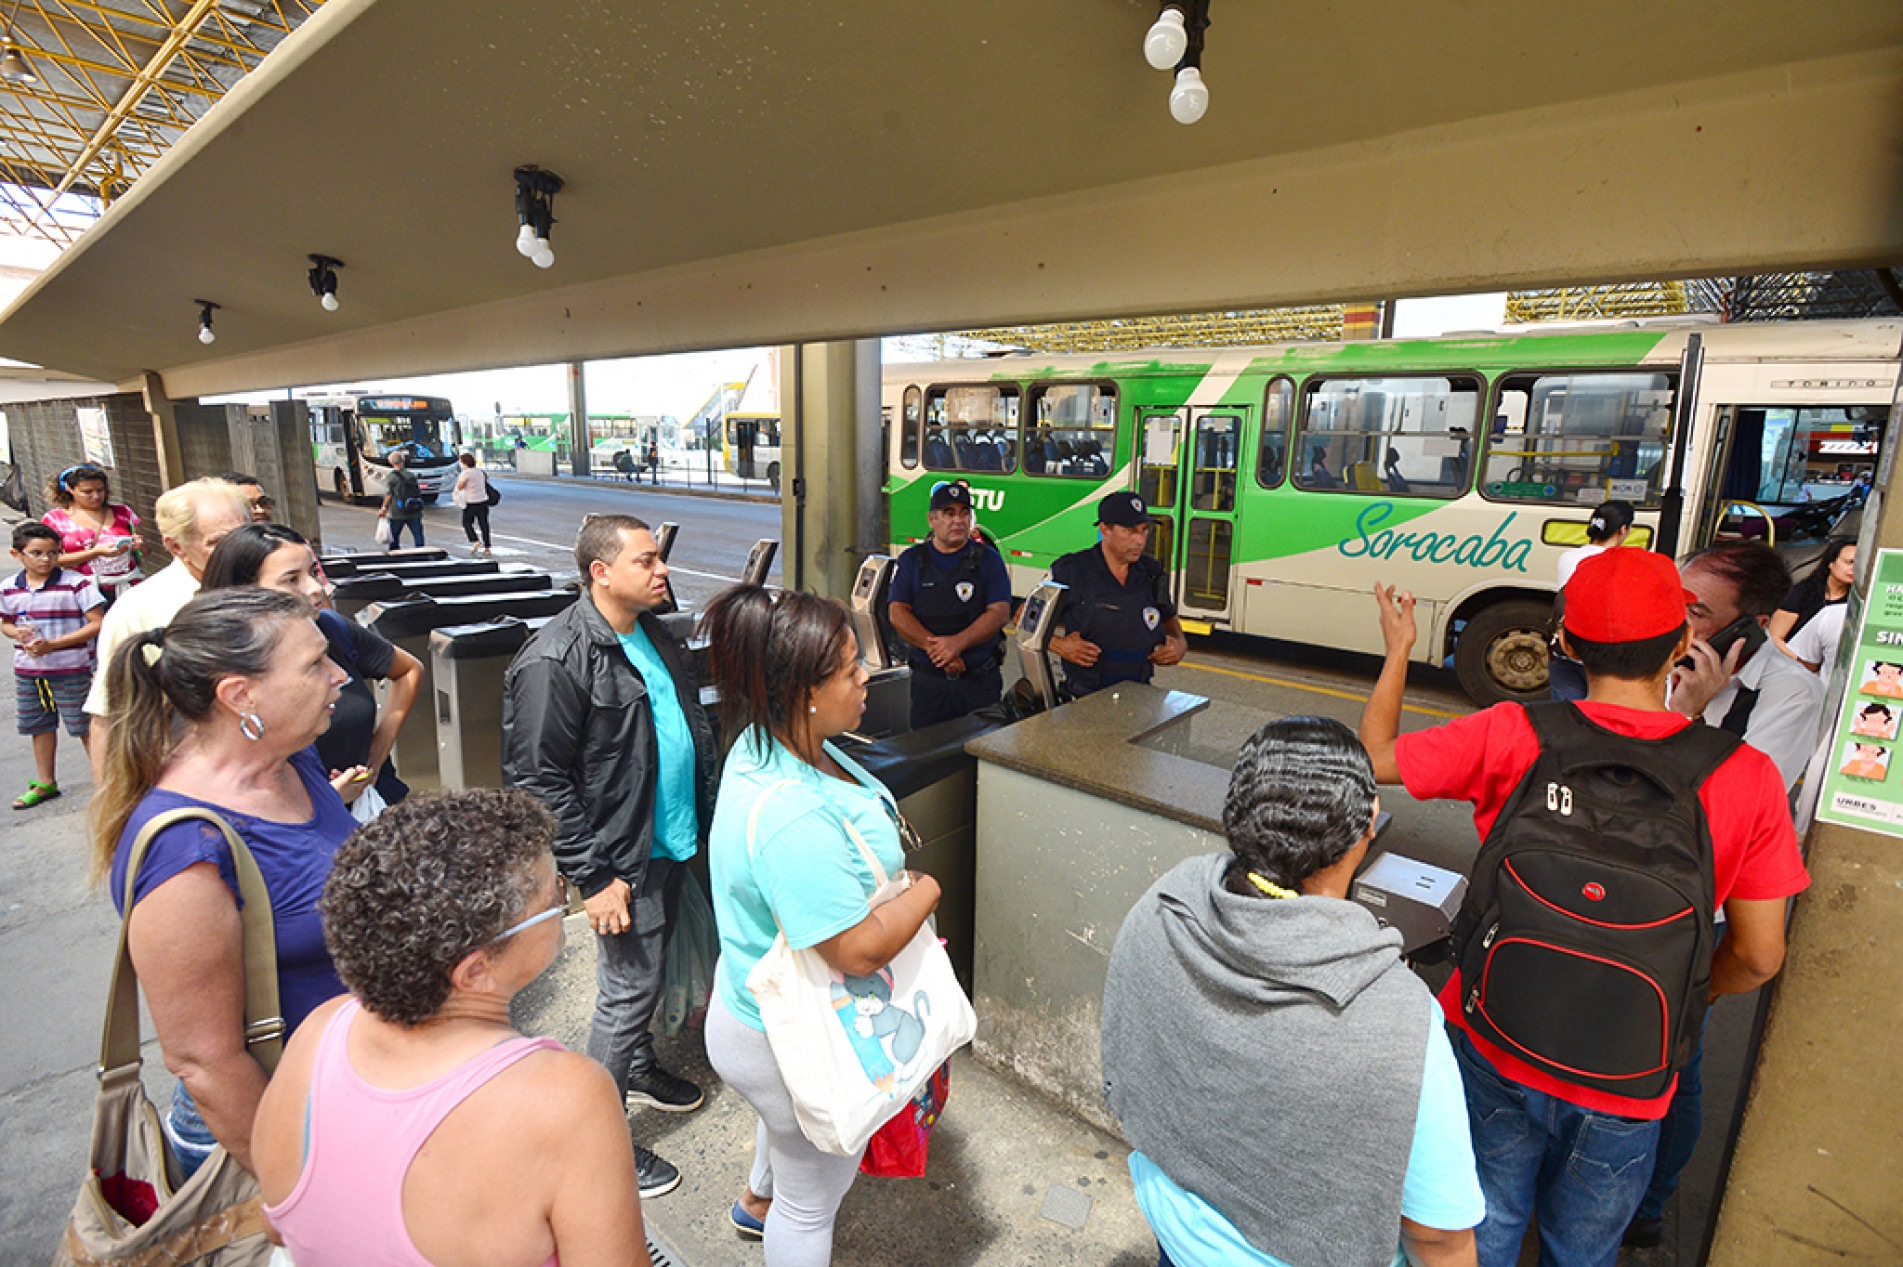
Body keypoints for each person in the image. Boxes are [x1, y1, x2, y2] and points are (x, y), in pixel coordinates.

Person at [1359, 550, 1809, 1266]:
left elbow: (1376, 753)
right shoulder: (1742, 775)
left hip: (1494, 1035)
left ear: (1564, 644)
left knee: (1485, 1224)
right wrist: (1685, 996)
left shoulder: (1511, 732)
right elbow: (1758, 955)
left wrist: (1400, 649)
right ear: (1676, 646)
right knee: (1583, 1245)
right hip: (1630, 1075)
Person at [1101, 716, 1484, 1267]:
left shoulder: (1168, 904)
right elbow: (1438, 1236)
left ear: (1238, 812)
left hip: (1177, 1231)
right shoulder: (1399, 1020)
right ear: (1367, 824)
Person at [253, 790, 653, 1267]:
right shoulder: (569, 1096)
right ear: (474, 971)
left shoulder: (320, 1031)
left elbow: (277, 1224)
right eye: (554, 896)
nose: (565, 900)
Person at [699, 585, 944, 1264]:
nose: (866, 674)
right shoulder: (792, 817)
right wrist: (925, 889)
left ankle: (753, 1202)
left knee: (787, 1137)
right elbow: (857, 949)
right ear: (801, 690)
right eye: (848, 668)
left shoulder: (772, 740)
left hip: (753, 1001)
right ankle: (772, 1214)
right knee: (810, 1202)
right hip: (784, 1034)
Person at [92, 587, 358, 1178]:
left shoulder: (295, 762)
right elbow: (205, 1063)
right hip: (282, 1133)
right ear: (240, 695)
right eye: (315, 663)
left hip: (350, 1098)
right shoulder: (184, 850)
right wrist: (300, 1193)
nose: (339, 675)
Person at [503, 514, 716, 1200]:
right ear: (600, 571)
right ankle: (598, 1141)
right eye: (646, 560)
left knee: (641, 982)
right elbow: (537, 778)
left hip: (671, 839)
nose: (663, 571)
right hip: (621, 858)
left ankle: (642, 1067)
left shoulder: (650, 630)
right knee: (625, 993)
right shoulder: (555, 657)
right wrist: (594, 876)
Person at [202, 522, 421, 815]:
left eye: (313, 572)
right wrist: (327, 799)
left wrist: (381, 744)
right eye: (291, 580)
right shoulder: (216, 670)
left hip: (371, 811)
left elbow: (409, 670)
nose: (316, 588)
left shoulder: (332, 627)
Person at [84, 477, 251, 722]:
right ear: (177, 547)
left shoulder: (273, 585)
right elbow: (109, 714)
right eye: (218, 542)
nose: (239, 549)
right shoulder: (137, 611)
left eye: (245, 535)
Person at [1670, 541, 1823, 790]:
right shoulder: (1663, 656)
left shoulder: (1794, 692)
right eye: (1674, 601)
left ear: (1752, 626)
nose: (1675, 620)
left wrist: (1689, 717)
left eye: (1696, 613)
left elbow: (1746, 798)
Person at [887, 481, 1013, 727]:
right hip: (930, 685)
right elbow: (897, 612)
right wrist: (938, 651)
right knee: (929, 755)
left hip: (979, 682)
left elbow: (999, 612)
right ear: (931, 520)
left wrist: (956, 644)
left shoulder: (989, 560)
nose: (958, 520)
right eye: (949, 513)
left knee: (981, 754)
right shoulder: (912, 560)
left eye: (964, 513)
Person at [1045, 491, 1188, 698]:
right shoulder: (1072, 569)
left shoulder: (1152, 572)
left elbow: (1169, 619)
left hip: (1139, 695)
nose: (1140, 540)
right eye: (1130, 531)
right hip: (1085, 697)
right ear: (1105, 530)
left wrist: (1180, 644)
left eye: (1144, 530)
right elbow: (1024, 618)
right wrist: (1059, 646)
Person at [2, 522, 105, 808]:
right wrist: (16, 633)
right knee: (39, 725)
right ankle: (46, 781)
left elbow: (97, 623)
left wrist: (54, 645)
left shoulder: (76, 583)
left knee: (85, 725)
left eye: (52, 553)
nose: (45, 560)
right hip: (29, 670)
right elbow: (6, 622)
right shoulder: (9, 588)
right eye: (36, 553)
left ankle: (105, 783)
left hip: (71, 667)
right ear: (17, 554)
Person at [1548, 500, 1636, 702]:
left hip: (1564, 646)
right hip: (1600, 654)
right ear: (1623, 529)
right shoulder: (1622, 562)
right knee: (1596, 716)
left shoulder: (1568, 556)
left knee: (1566, 713)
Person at [41, 463, 142, 602]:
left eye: (100, 490)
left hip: (128, 586)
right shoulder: (54, 519)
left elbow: (144, 552)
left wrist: (140, 545)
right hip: (83, 591)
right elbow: (52, 560)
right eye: (87, 492)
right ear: (69, 489)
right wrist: (96, 552)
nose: (95, 496)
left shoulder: (123, 512)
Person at [1768, 538, 1854, 651]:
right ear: (1831, 563)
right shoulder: (1802, 592)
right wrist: (1802, 664)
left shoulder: (1856, 602)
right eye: (1849, 562)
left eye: (1859, 564)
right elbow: (1775, 637)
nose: (1854, 569)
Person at [379, 449, 425, 548]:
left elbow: (389, 494)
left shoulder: (391, 477)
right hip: (414, 509)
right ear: (403, 461)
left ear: (391, 462)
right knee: (418, 534)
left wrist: (384, 508)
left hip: (397, 511)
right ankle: (421, 552)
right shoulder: (411, 475)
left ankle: (395, 555)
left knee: (394, 536)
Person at [453, 452, 494, 556]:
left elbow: (460, 486)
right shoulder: (480, 472)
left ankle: (475, 540)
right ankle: (487, 547)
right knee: (484, 524)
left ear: (465, 463)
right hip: (483, 501)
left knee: (466, 523)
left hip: (471, 502)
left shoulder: (466, 473)